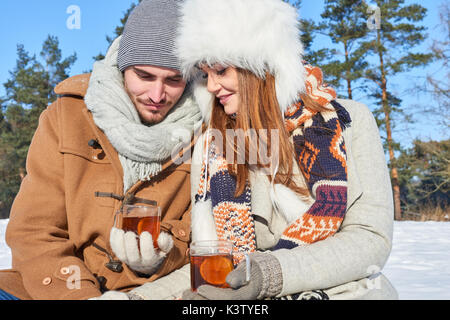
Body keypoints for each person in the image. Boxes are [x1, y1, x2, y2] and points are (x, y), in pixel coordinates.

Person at [126, 0, 398, 300]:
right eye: (205, 74)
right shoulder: (213, 147)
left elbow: (370, 240)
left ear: (261, 66)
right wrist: (136, 298)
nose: (213, 86)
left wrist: (267, 275)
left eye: (220, 70)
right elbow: (211, 262)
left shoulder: (350, 122)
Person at [0, 0, 202, 300]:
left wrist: (165, 249)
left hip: (150, 292)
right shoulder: (66, 116)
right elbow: (35, 231)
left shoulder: (206, 131)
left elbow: (207, 234)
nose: (158, 95)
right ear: (122, 67)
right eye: (144, 76)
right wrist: (79, 294)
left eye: (173, 80)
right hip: (52, 288)